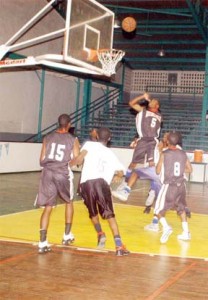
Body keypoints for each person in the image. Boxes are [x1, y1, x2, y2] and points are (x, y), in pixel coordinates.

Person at [69, 127, 130, 256]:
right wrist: (117, 176)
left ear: (96, 136)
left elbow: (79, 159)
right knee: (110, 216)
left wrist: (69, 164)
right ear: (109, 139)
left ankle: (100, 233)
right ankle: (119, 246)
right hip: (101, 184)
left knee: (92, 212)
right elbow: (121, 171)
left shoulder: (90, 144)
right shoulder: (111, 154)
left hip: (86, 184)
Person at [35, 114, 80, 254]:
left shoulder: (47, 137)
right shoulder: (73, 139)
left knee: (48, 207)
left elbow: (41, 160)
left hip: (47, 173)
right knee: (69, 202)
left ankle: (42, 243)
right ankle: (67, 235)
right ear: (69, 124)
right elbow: (76, 161)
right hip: (62, 174)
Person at [154, 131, 192, 244]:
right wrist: (180, 171)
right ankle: (186, 232)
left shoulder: (164, 153)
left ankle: (166, 227)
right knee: (181, 208)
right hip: (181, 186)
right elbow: (190, 170)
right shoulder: (183, 153)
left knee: (158, 210)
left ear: (167, 141)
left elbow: (157, 171)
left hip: (169, 186)